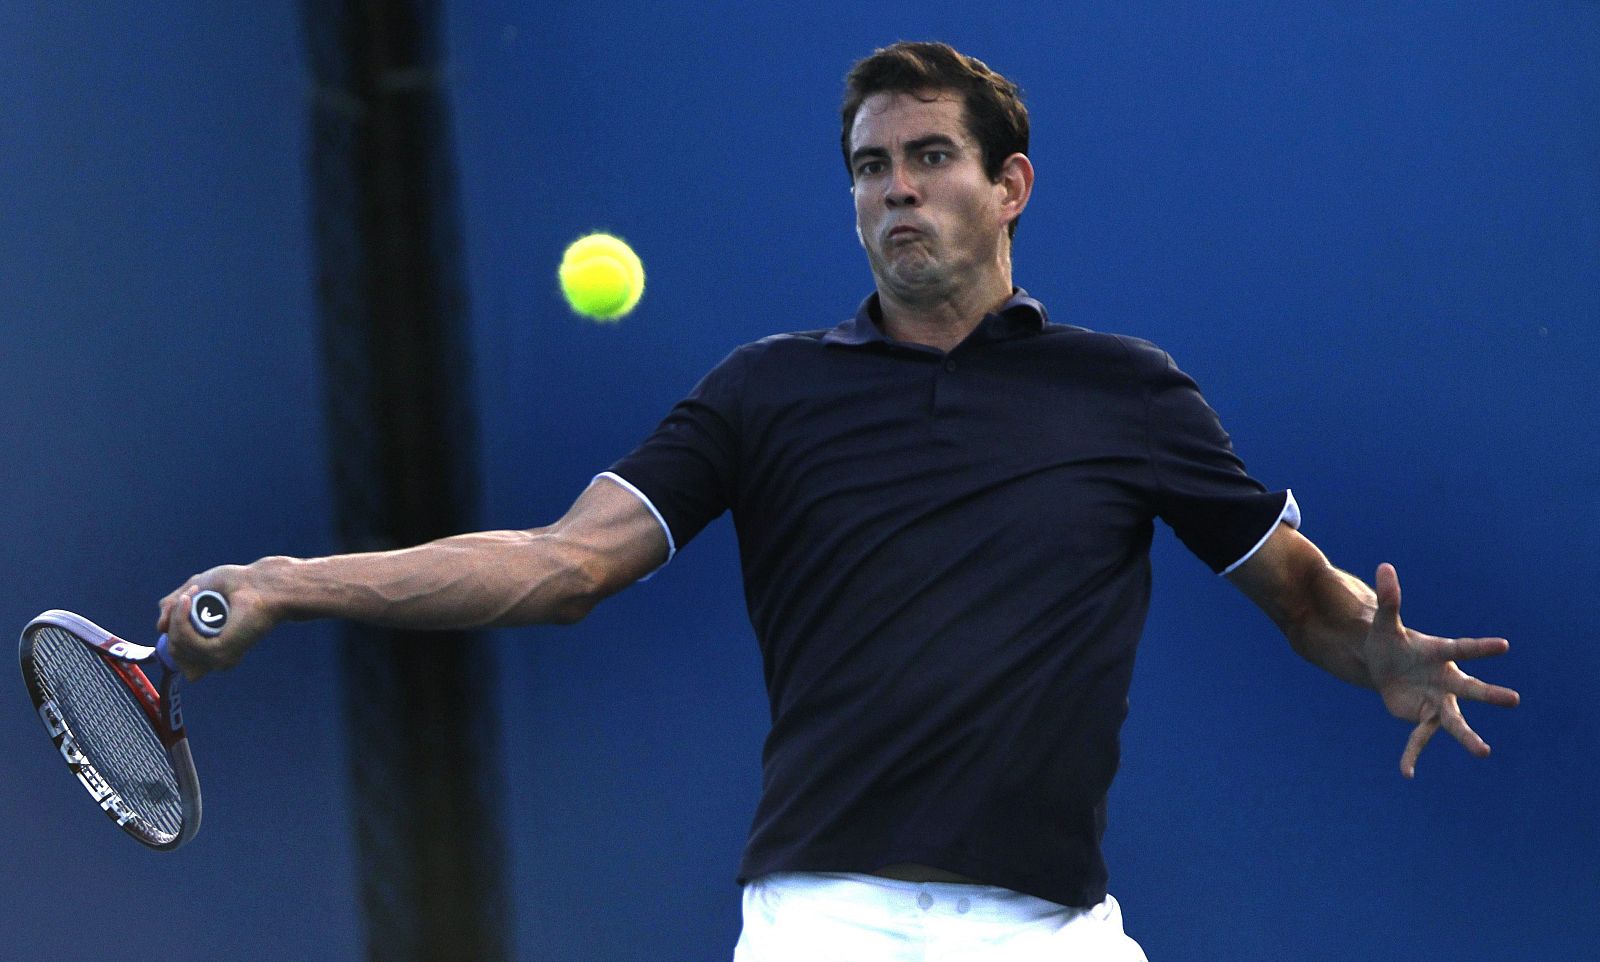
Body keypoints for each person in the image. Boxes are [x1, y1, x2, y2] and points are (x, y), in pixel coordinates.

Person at [160, 41, 1520, 961]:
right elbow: (558, 565)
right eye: (872, 167)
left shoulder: (1129, 394)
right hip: (828, 924)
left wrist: (1379, 653)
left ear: (1010, 187)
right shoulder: (765, 394)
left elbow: (1301, 597)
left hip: (1054, 929)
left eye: (929, 157)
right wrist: (288, 580)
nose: (897, 188)